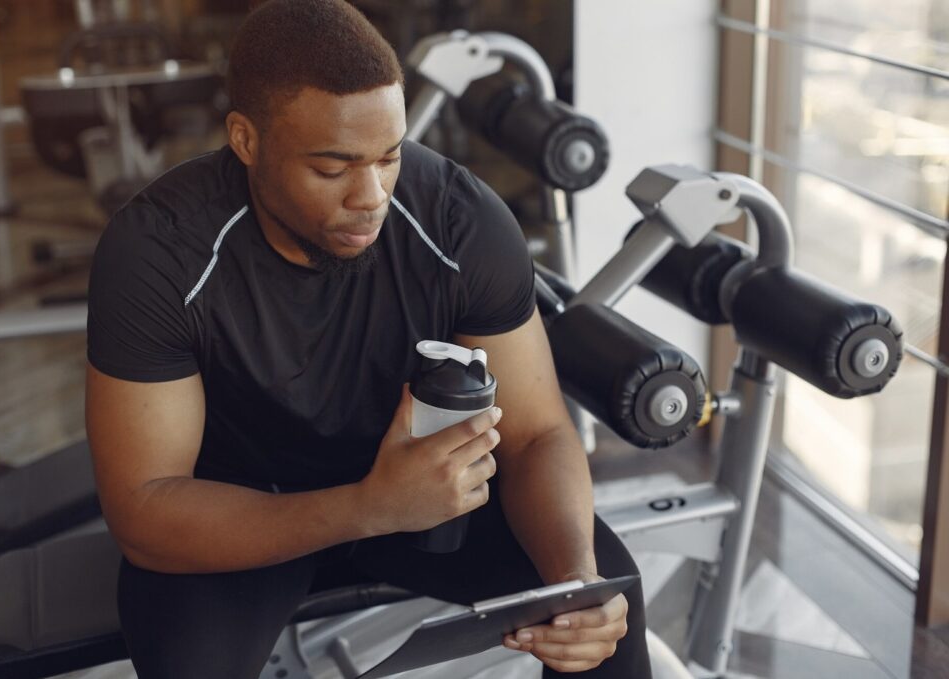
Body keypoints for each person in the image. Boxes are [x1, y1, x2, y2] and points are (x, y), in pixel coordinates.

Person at [85, 1, 652, 677]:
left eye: (388, 157)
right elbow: (145, 508)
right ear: (246, 140)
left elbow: (535, 435)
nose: (372, 197)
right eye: (332, 169)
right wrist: (367, 506)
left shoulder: (460, 221)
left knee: (604, 602)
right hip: (238, 514)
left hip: (428, 498)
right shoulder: (157, 252)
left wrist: (573, 580)